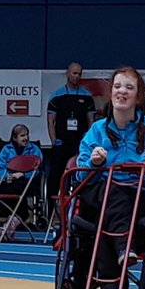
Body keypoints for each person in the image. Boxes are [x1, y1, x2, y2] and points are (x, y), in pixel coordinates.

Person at [77, 66, 145, 289]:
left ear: (139, 95)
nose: (122, 91)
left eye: (129, 87)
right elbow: (80, 175)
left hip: (144, 197)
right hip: (105, 195)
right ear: (111, 92)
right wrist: (93, 163)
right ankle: (124, 248)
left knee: (105, 218)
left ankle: (113, 288)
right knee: (110, 191)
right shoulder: (96, 131)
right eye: (117, 86)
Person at [47, 62, 97, 198]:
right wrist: (54, 140)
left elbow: (91, 120)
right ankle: (52, 209)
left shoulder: (87, 97)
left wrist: (89, 139)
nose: (77, 76)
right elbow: (51, 120)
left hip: (80, 143)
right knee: (55, 176)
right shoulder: (56, 96)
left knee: (82, 173)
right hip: (62, 142)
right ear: (67, 74)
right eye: (74, 73)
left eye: (79, 73)